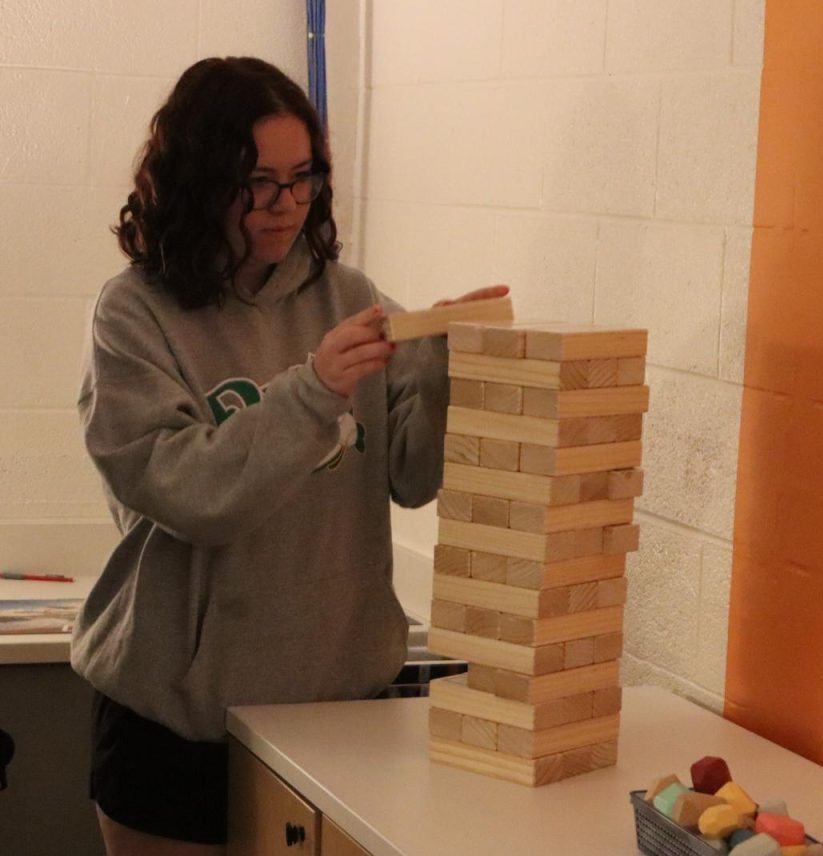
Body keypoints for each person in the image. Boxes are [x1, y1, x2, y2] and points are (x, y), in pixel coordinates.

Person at [71, 56, 506, 855]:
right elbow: (189, 497)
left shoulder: (350, 297)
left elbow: (411, 478)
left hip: (342, 717)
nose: (286, 206)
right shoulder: (134, 313)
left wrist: (444, 370)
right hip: (179, 730)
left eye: (302, 178)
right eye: (258, 182)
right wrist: (312, 392)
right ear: (199, 179)